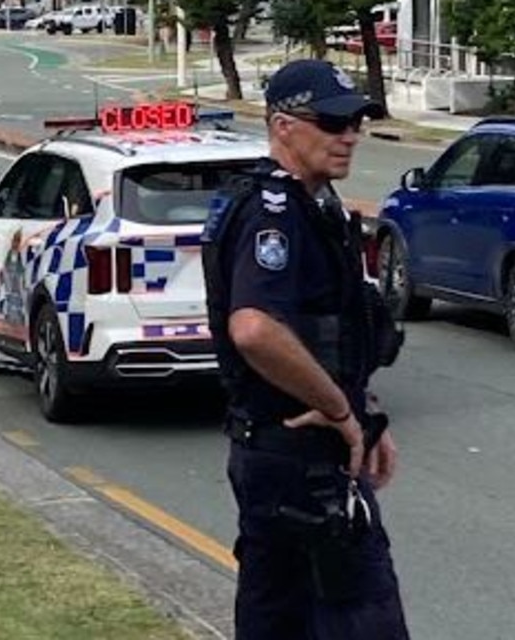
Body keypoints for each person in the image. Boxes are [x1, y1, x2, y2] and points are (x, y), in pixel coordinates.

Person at [200, 59, 409, 640]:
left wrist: (363, 410)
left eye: (356, 124)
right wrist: (341, 413)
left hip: (279, 455)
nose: (349, 136)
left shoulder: (311, 207)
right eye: (332, 122)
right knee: (365, 617)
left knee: (278, 619)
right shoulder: (277, 212)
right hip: (302, 461)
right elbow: (255, 328)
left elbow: (328, 331)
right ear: (283, 125)